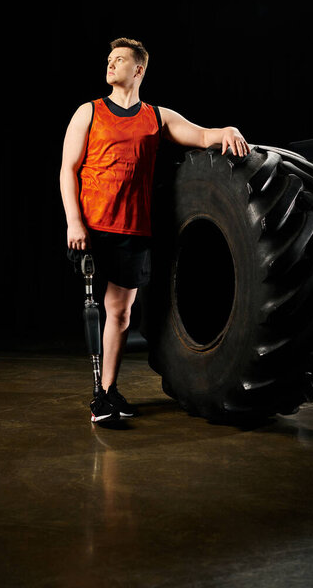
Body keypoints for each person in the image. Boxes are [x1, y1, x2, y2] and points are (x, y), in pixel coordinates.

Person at [60, 37, 250, 423]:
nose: (110, 65)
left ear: (139, 69)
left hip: (133, 229)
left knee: (121, 312)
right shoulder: (89, 112)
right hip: (92, 228)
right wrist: (74, 221)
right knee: (98, 310)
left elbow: (199, 135)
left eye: (119, 60)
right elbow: (68, 169)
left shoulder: (157, 117)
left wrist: (226, 129)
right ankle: (100, 396)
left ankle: (108, 392)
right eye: (109, 60)